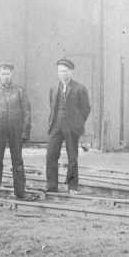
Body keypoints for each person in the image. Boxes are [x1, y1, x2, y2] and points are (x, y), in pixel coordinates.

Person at [46, 57, 92, 193]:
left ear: (71, 71)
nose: (62, 74)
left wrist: (77, 122)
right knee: (51, 155)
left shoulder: (80, 88)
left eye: (65, 71)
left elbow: (86, 109)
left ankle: (72, 186)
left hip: (72, 128)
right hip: (55, 126)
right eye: (60, 71)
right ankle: (51, 186)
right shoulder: (54, 88)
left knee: (72, 157)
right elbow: (52, 105)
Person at [0, 63, 32, 199]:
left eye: (8, 74)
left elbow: (27, 111)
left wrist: (25, 131)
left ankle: (20, 192)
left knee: (17, 160)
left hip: (16, 129)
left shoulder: (20, 90)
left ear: (12, 74)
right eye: (3, 74)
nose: (6, 76)